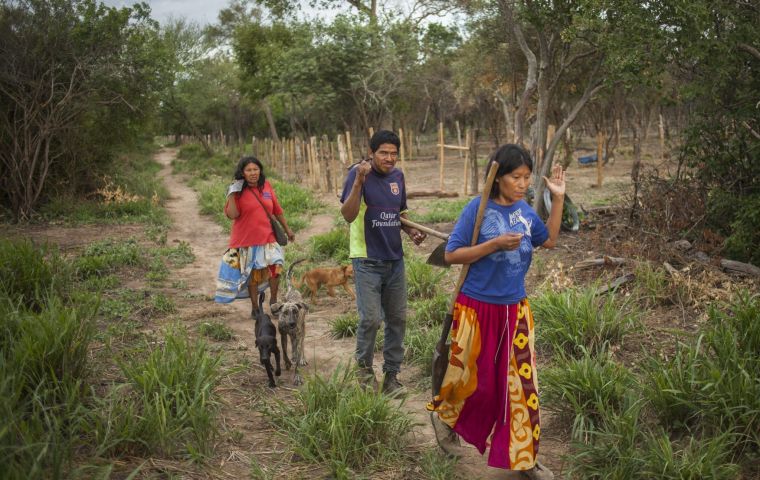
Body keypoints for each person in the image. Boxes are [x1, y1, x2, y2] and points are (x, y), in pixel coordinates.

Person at [428, 144, 564, 480]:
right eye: (516, 177)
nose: (522, 184)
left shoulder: (526, 213)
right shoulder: (478, 209)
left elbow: (549, 242)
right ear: (498, 177)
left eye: (527, 178)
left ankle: (525, 458)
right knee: (476, 383)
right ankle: (446, 416)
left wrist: (558, 198)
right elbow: (451, 255)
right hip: (476, 309)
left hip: (515, 311)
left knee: (521, 388)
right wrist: (493, 245)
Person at [340, 130, 426, 394]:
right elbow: (348, 214)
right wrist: (358, 183)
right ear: (371, 152)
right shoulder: (358, 174)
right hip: (366, 258)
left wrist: (411, 231)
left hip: (394, 259)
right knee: (371, 319)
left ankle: (391, 377)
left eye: (393, 153)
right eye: (383, 153)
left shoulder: (398, 177)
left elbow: (399, 212)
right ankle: (365, 374)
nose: (389, 158)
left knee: (397, 318)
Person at [214, 156, 295, 316]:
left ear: (260, 170)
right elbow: (233, 214)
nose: (253, 173)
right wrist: (231, 193)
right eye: (249, 170)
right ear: (242, 173)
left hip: (268, 238)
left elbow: (277, 210)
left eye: (255, 169)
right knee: (253, 275)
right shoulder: (237, 191)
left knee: (275, 267)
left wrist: (288, 229)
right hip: (246, 240)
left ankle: (273, 301)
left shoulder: (266, 186)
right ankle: (255, 308)